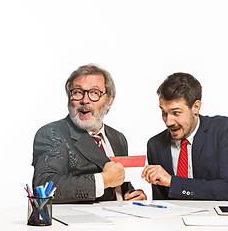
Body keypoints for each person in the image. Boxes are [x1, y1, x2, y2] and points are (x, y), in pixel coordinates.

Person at [32, 64, 146, 203]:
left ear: (109, 101)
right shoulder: (52, 133)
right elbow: (43, 186)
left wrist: (131, 194)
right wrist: (102, 180)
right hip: (80, 223)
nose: (85, 100)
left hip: (121, 221)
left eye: (94, 93)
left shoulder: (118, 138)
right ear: (69, 96)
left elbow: (118, 181)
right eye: (78, 92)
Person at [141, 72, 228, 201]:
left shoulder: (224, 129)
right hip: (179, 219)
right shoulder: (155, 145)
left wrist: (173, 182)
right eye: (164, 112)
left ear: (196, 107)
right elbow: (163, 202)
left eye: (176, 113)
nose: (168, 122)